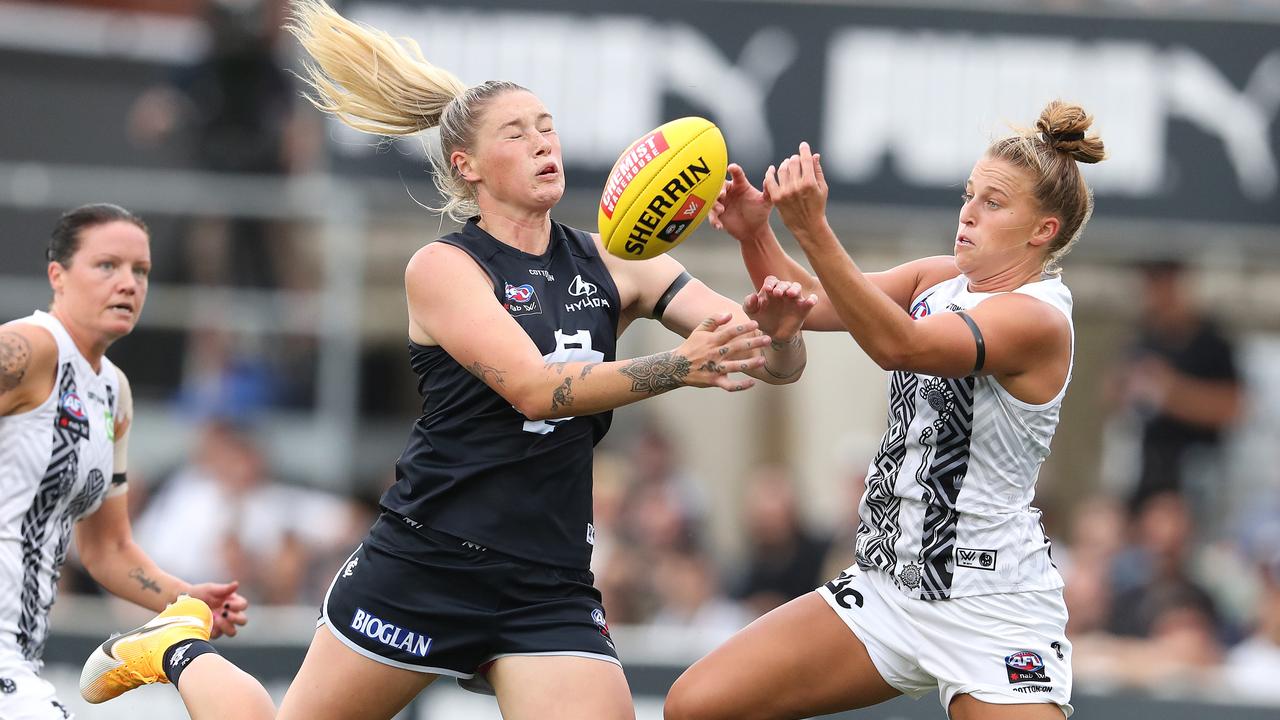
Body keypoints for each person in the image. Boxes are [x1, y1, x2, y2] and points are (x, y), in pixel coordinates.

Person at [79, 2, 815, 719]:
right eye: (518, 132)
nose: (541, 142)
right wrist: (679, 366)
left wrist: (779, 335)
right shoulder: (442, 268)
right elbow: (533, 389)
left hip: (548, 584)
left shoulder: (623, 264)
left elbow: (774, 365)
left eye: (548, 127)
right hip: (427, 564)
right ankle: (180, 649)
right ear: (467, 166)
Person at [664, 100, 1106, 720]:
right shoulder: (937, 279)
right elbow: (816, 304)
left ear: (1043, 232)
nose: (968, 213)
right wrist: (757, 233)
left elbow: (903, 345)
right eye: (969, 194)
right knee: (699, 706)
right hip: (887, 587)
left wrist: (814, 227)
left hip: (992, 605)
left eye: (993, 203)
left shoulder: (1037, 318)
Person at [0, 203, 260, 719]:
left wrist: (186, 598)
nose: (128, 283)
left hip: (20, 656)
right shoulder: (29, 348)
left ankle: (165, 645)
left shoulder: (111, 391)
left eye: (140, 271)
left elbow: (108, 549)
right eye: (107, 266)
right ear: (58, 276)